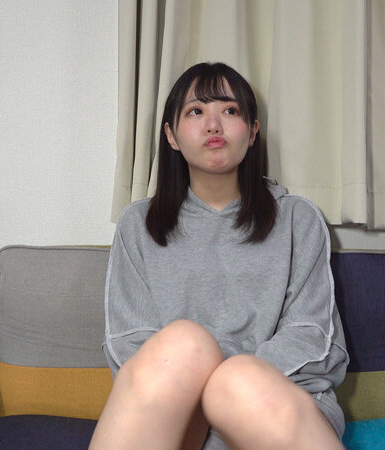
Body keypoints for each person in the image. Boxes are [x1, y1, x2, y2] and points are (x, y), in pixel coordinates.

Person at [90, 62, 348, 449]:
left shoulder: (299, 218)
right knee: (182, 345)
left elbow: (312, 334)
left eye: (229, 110)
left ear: (253, 131)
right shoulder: (138, 224)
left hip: (278, 400)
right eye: (196, 111)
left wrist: (227, 386)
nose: (213, 125)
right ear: (171, 135)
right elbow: (130, 341)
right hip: (177, 413)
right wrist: (200, 387)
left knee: (238, 382)